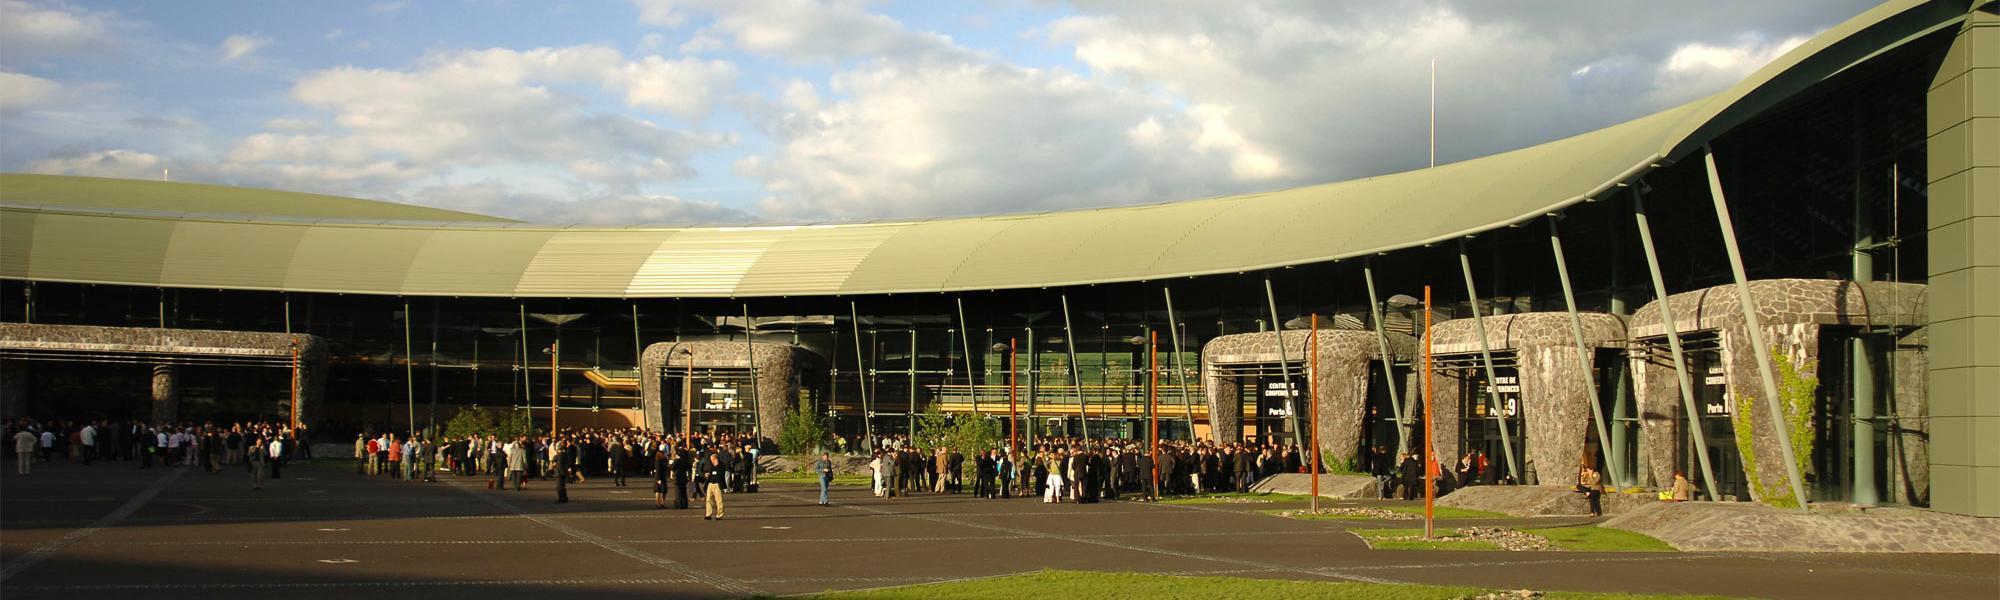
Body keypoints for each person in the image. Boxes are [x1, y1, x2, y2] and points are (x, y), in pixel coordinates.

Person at [703, 453, 728, 520]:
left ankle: (719, 514)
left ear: (716, 459)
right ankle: (708, 514)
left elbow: (721, 474)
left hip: (717, 484)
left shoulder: (721, 465)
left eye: (713, 460)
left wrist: (717, 466)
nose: (712, 461)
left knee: (719, 500)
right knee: (708, 500)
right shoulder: (710, 465)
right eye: (711, 460)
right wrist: (706, 474)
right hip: (710, 484)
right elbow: (707, 471)